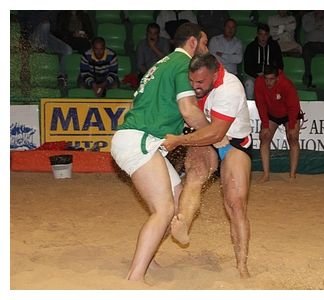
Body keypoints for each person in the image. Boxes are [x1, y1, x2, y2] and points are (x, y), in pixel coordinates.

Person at [110, 23, 210, 281]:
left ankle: (148, 256)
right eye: (204, 43)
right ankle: (135, 278)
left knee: (177, 201)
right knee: (164, 209)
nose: (207, 49)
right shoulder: (181, 64)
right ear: (192, 42)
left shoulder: (163, 63)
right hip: (140, 140)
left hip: (142, 140)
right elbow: (188, 111)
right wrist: (215, 135)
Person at [162, 53, 253, 279]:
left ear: (215, 74)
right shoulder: (192, 82)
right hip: (204, 138)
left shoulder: (230, 87)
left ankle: (242, 266)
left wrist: (178, 140)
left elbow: (217, 133)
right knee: (194, 176)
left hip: (232, 144)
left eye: (200, 82)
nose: (195, 86)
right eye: (192, 81)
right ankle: (183, 221)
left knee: (235, 205)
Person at [254, 65, 302, 182]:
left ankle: (292, 174)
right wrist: (265, 125)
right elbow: (260, 104)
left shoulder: (286, 84)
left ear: (277, 78)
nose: (268, 82)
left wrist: (291, 126)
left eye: (271, 79)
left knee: (293, 138)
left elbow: (293, 106)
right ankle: (266, 174)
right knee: (264, 137)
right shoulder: (259, 83)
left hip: (289, 113)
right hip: (271, 114)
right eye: (266, 79)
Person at [243, 23, 283, 99]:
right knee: (249, 83)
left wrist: (270, 76)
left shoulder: (274, 46)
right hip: (254, 75)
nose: (263, 37)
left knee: (280, 82)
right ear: (257, 35)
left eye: (266, 34)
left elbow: (280, 64)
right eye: (261, 34)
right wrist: (258, 76)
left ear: (268, 35)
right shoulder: (251, 47)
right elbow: (247, 68)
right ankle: (250, 104)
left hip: (271, 75)